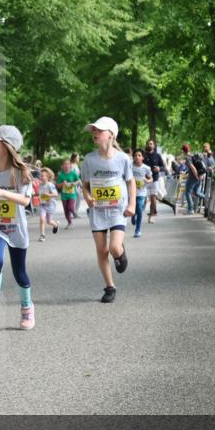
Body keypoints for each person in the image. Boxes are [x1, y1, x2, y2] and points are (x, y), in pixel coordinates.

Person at [0, 125, 36, 330]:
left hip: (16, 229)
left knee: (20, 273)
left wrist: (2, 193)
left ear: (7, 146)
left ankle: (27, 307)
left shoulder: (21, 172)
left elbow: (25, 201)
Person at [80, 117, 135, 304]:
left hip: (118, 210)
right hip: (98, 211)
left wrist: (132, 205)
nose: (95, 133)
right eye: (93, 130)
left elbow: (130, 182)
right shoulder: (89, 159)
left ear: (111, 135)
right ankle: (110, 287)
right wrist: (88, 197)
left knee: (113, 248)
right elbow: (85, 185)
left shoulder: (122, 159)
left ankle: (120, 252)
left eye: (99, 130)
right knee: (102, 251)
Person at [142, 139, 165, 223]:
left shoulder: (157, 155)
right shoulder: (143, 155)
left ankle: (151, 216)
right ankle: (139, 214)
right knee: (143, 199)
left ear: (154, 146)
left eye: (151, 144)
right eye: (148, 144)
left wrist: (159, 168)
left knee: (153, 198)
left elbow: (163, 167)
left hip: (154, 179)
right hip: (144, 180)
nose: (149, 145)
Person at [131, 149, 152, 238]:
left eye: (139, 155)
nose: (137, 157)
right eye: (135, 155)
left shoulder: (146, 168)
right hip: (131, 192)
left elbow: (151, 179)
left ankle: (138, 230)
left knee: (139, 208)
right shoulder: (130, 166)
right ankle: (133, 215)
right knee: (134, 209)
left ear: (143, 157)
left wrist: (147, 180)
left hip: (141, 192)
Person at [36, 167, 60, 242]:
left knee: (49, 221)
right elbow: (39, 194)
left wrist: (49, 195)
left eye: (43, 175)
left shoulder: (50, 185)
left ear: (47, 177)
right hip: (42, 205)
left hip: (50, 205)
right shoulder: (39, 185)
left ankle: (56, 225)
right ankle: (42, 235)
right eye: (40, 175)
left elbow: (56, 194)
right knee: (42, 219)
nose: (41, 177)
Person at [56, 159, 80, 229]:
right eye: (65, 164)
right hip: (64, 195)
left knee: (70, 207)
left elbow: (78, 180)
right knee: (66, 209)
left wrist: (74, 183)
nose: (66, 165)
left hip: (72, 194)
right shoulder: (60, 175)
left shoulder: (73, 173)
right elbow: (58, 185)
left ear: (70, 165)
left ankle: (74, 212)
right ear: (62, 166)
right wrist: (62, 184)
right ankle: (70, 222)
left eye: (68, 164)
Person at [181, 143, 201, 214]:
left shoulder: (187, 157)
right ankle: (207, 199)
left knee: (188, 193)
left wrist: (196, 176)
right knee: (196, 192)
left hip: (193, 176)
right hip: (197, 176)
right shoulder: (192, 155)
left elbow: (192, 167)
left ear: (183, 151)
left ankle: (190, 209)